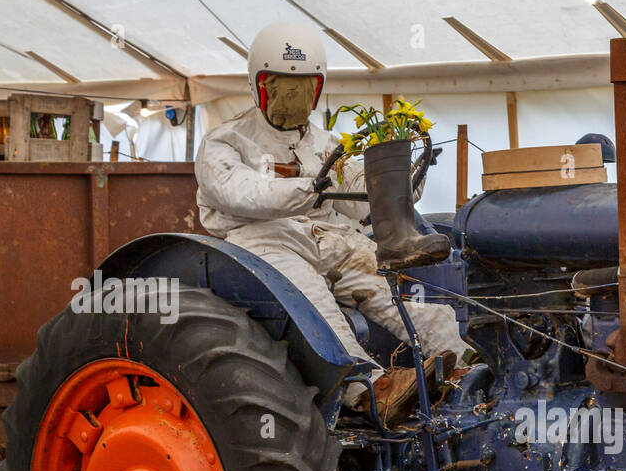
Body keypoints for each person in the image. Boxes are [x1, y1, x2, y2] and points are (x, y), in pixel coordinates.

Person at [194, 21, 469, 418]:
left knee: (397, 294)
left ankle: (459, 366)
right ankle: (371, 389)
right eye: (282, 87)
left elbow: (360, 203)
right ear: (259, 85)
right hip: (263, 241)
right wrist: (312, 186)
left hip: (329, 238)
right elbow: (241, 193)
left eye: (303, 87)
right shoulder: (224, 142)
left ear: (318, 88)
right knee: (315, 302)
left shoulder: (328, 145)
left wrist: (404, 178)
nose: (292, 97)